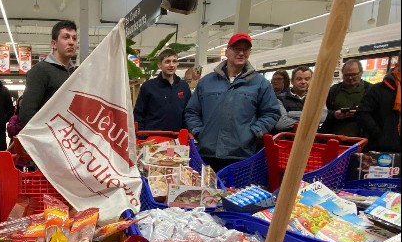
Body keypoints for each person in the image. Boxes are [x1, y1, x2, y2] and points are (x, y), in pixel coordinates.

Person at [184, 33, 280, 172]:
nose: (241, 53)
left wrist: (253, 132)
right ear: (227, 51)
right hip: (207, 153)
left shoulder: (260, 83)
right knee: (207, 193)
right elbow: (192, 111)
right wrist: (199, 132)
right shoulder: (207, 82)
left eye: (245, 49)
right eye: (236, 49)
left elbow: (271, 112)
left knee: (236, 193)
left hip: (241, 155)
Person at [20, 20, 77, 126]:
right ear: (54, 44)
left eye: (74, 38)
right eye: (66, 37)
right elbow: (27, 114)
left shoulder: (75, 73)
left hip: (71, 138)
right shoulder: (40, 71)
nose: (71, 42)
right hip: (50, 138)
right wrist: (45, 139)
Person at [134, 48, 191, 131]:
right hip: (153, 139)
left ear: (177, 63)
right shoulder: (148, 87)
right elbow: (138, 114)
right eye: (167, 61)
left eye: (174, 61)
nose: (171, 65)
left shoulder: (183, 86)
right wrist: (142, 136)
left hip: (177, 138)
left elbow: (188, 113)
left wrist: (186, 133)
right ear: (159, 65)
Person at [356, 54, 401, 152]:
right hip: (383, 150)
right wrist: (379, 134)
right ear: (398, 64)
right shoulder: (378, 89)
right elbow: (362, 113)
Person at [320, 59, 372, 136]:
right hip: (334, 137)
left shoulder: (370, 90)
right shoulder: (334, 90)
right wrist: (334, 114)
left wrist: (360, 114)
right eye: (347, 75)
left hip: (361, 138)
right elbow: (324, 112)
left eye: (354, 74)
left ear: (361, 73)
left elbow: (377, 114)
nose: (350, 78)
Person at [275, 66, 327, 133]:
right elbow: (281, 123)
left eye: (307, 79)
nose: (303, 82)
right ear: (292, 81)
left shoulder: (318, 98)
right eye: (299, 79)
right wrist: (313, 119)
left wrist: (290, 114)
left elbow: (323, 117)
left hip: (312, 139)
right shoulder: (280, 98)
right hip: (288, 139)